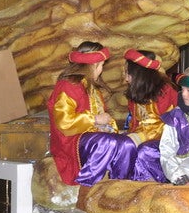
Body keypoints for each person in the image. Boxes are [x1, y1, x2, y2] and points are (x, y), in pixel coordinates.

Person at [47, 42, 137, 186]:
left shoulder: (93, 89)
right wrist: (95, 120)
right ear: (92, 65)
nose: (101, 70)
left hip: (91, 137)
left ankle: (119, 187)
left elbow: (102, 119)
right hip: (71, 141)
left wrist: (107, 125)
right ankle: (87, 186)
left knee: (127, 144)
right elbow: (64, 123)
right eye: (101, 65)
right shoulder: (67, 86)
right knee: (107, 142)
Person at [122, 49, 177, 182]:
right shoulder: (134, 91)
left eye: (127, 71)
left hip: (163, 139)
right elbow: (135, 121)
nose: (125, 77)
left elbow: (170, 125)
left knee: (141, 150)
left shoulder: (165, 90)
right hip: (142, 135)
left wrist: (139, 137)